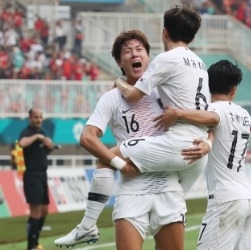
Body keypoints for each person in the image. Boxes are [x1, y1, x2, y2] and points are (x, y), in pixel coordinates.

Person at [54, 30, 210, 249]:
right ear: (120, 61)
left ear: (148, 57)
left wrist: (208, 142)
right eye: (127, 51)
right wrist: (120, 166)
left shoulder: (165, 92)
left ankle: (87, 225)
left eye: (140, 50)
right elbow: (88, 137)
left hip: (168, 187)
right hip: (131, 191)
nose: (134, 54)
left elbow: (207, 116)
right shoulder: (112, 97)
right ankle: (88, 225)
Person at [155, 59, 251, 249]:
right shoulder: (245, 115)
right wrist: (210, 141)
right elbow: (217, 126)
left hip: (225, 199)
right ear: (233, 90)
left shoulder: (212, 109)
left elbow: (213, 117)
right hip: (248, 198)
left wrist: (178, 113)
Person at [110, 5, 210, 182]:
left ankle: (90, 211)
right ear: (193, 36)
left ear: (165, 32)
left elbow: (132, 96)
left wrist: (119, 81)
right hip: (200, 149)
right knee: (174, 206)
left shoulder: (167, 58)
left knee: (107, 157)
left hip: (178, 145)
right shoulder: (200, 64)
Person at [19, 108, 56, 250]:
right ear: (30, 118)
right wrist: (37, 137)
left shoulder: (42, 132)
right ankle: (31, 246)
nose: (39, 120)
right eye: (36, 117)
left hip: (42, 175)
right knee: (35, 210)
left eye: (41, 117)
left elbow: (46, 150)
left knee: (45, 210)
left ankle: (33, 234)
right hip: (32, 175)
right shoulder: (27, 132)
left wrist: (50, 146)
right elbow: (22, 143)